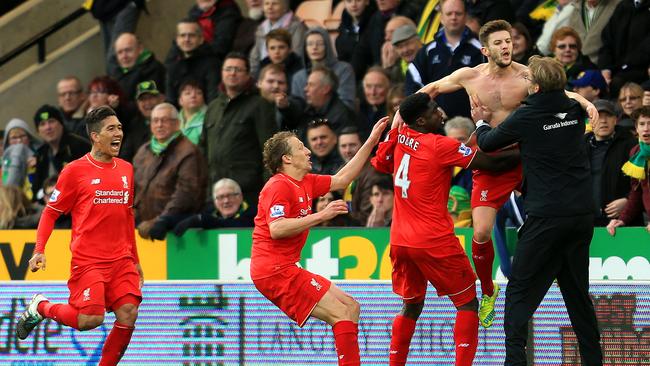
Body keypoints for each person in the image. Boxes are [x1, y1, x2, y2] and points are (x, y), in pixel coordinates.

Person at [417, 19, 597, 328]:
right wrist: (400, 116)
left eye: (509, 41)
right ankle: (488, 291)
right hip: (490, 162)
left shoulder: (527, 75)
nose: (506, 47)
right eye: (499, 43)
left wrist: (584, 102)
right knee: (481, 232)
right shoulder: (469, 76)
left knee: (542, 224)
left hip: (526, 159)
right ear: (486, 49)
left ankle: (550, 275)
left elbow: (561, 92)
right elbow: (431, 89)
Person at [471, 55, 603, 366]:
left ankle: (515, 361)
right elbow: (568, 98)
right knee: (577, 296)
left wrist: (480, 121)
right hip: (582, 216)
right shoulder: (573, 109)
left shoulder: (528, 115)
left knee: (518, 291)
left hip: (546, 217)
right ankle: (593, 361)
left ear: (536, 86)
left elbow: (488, 143)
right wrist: (581, 99)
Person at [371, 93, 519, 366]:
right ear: (420, 120)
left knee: (412, 305)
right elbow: (492, 163)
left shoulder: (399, 136)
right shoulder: (440, 145)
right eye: (433, 110)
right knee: (467, 303)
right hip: (433, 240)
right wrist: (529, 148)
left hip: (400, 241)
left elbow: (380, 162)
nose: (440, 112)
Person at [250, 116, 389, 366]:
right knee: (341, 312)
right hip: (274, 271)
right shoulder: (277, 187)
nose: (307, 150)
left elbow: (342, 179)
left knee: (351, 307)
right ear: (287, 158)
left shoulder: (305, 182)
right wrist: (321, 215)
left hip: (287, 267)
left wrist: (371, 141)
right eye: (301, 147)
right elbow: (277, 228)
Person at [16, 106, 144, 365]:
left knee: (128, 313)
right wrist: (39, 249)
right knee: (90, 320)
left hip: (121, 259)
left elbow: (127, 216)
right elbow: (50, 213)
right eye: (111, 128)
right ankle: (41, 307)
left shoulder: (126, 170)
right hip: (90, 261)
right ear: (95, 136)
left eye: (119, 127)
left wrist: (136, 258)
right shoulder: (75, 171)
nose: (118, 132)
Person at [133, 103, 207, 241]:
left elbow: (186, 194)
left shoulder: (188, 152)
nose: (159, 125)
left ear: (177, 124)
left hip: (174, 232)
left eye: (165, 120)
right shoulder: (143, 151)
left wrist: (160, 221)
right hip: (141, 229)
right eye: (155, 120)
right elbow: (132, 187)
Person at [607, 106, 650, 235]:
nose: (646, 128)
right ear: (637, 128)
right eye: (642, 124)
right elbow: (636, 192)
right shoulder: (636, 152)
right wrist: (623, 219)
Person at [173, 178, 257, 236]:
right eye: (220, 197)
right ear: (215, 201)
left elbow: (234, 225)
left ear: (240, 197)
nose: (226, 201)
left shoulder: (254, 214)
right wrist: (168, 220)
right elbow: (190, 219)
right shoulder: (210, 212)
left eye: (230, 195)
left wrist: (202, 220)